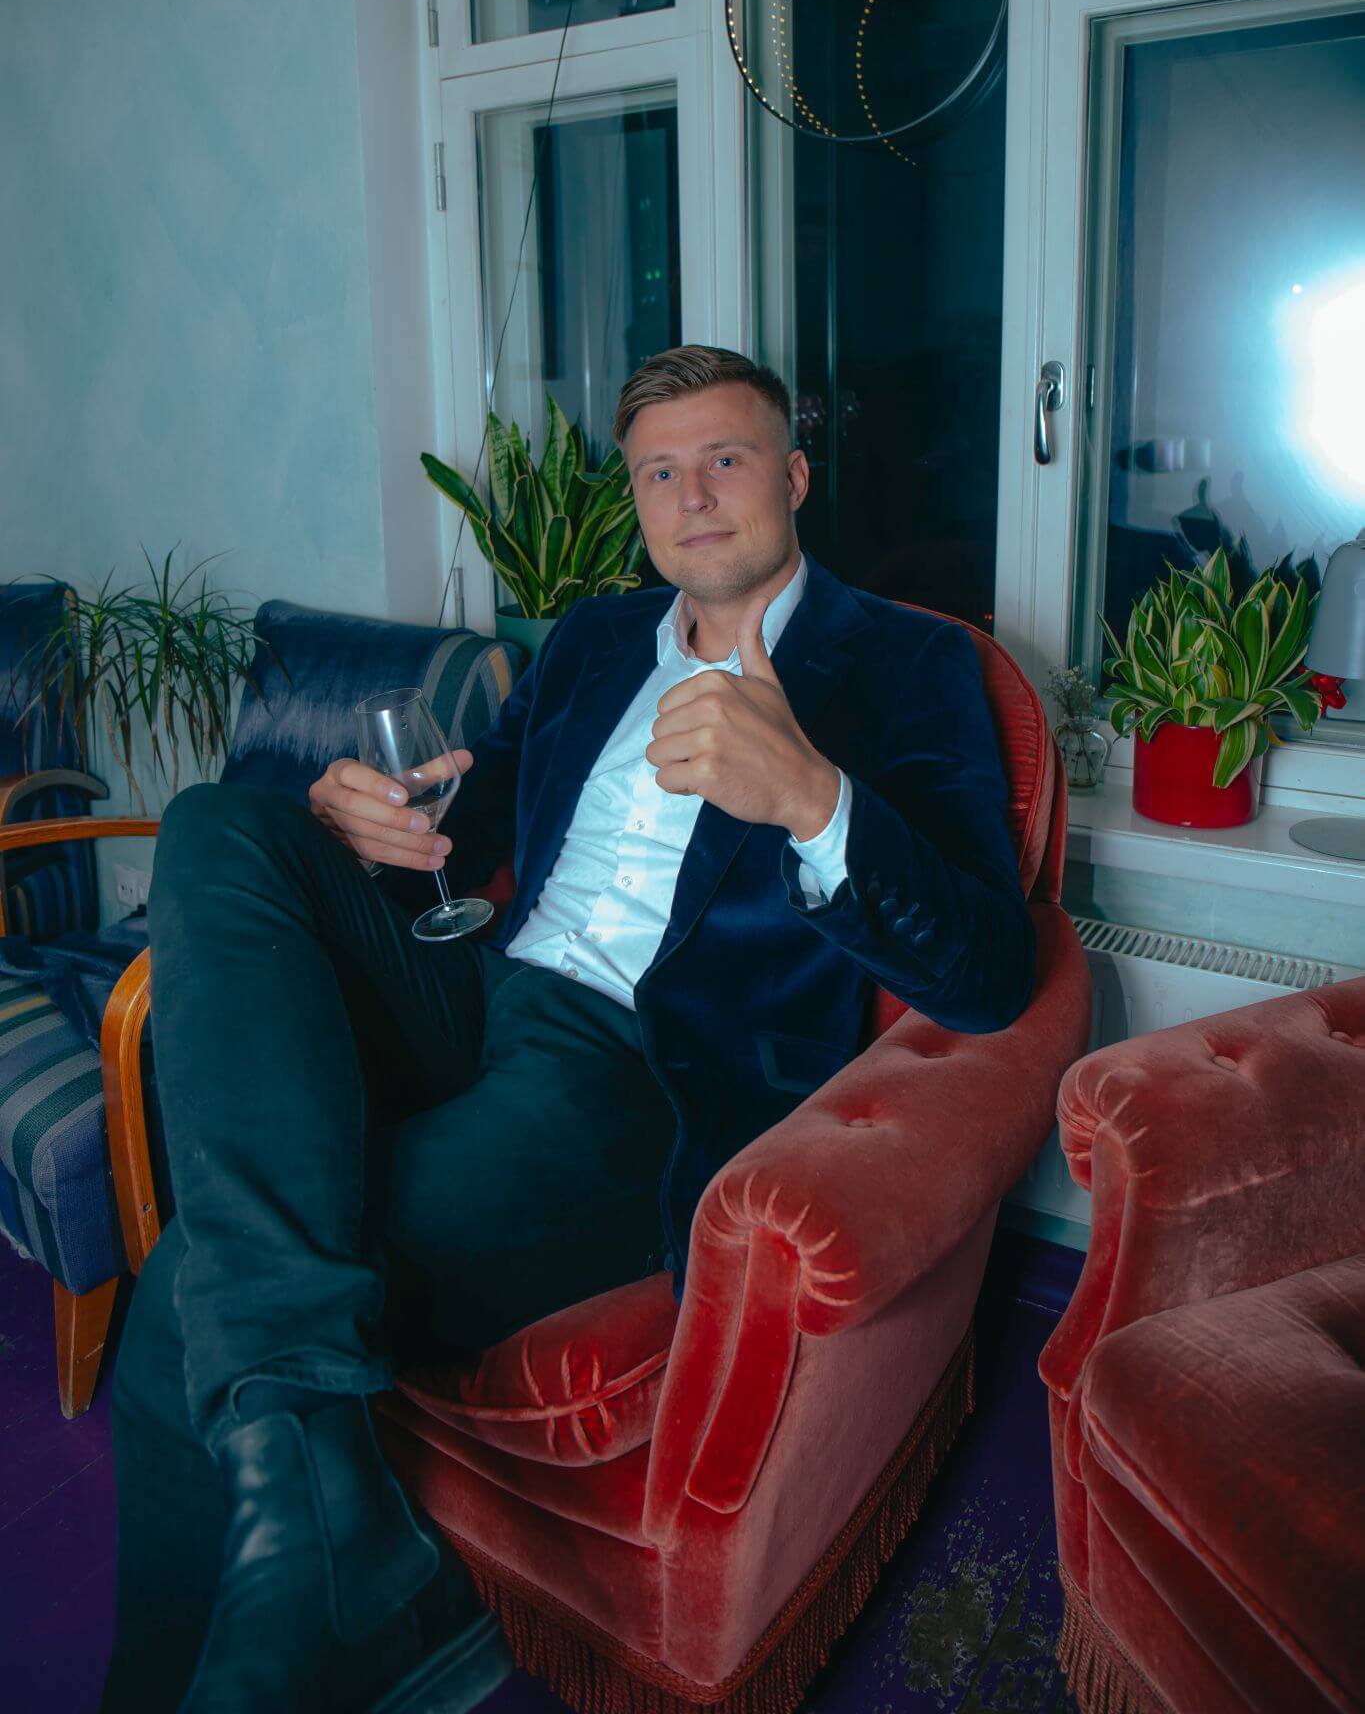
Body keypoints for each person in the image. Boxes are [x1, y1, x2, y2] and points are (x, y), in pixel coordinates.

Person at [102, 346, 1034, 1714]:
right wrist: (372, 826)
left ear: (793, 477)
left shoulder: (909, 663)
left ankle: (276, 1611)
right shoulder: (594, 640)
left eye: (724, 460)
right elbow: (466, 826)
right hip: (476, 987)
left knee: (188, 1290)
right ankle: (348, 1557)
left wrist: (813, 799)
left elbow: (991, 974)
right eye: (658, 472)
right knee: (220, 823)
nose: (691, 495)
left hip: (634, 1069)